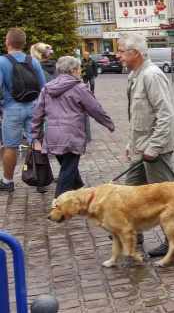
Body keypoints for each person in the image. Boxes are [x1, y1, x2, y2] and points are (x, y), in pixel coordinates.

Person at [117, 32, 174, 258]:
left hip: (155, 151)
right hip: (140, 148)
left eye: (122, 51)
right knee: (130, 194)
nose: (119, 55)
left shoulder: (152, 75)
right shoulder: (136, 75)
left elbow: (166, 115)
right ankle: (133, 235)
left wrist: (154, 148)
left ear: (136, 53)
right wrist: (130, 143)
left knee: (165, 197)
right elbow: (139, 116)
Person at [31, 56, 114, 197]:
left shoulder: (47, 88)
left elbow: (38, 113)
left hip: (52, 136)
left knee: (68, 167)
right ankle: (59, 203)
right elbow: (95, 109)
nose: (80, 71)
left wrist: (35, 135)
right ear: (74, 70)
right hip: (71, 136)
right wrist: (108, 123)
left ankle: (79, 189)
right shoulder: (79, 88)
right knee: (68, 170)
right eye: (79, 68)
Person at [1, 28, 46, 192]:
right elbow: (43, 87)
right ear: (24, 43)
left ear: (8, 41)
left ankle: (7, 181)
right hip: (33, 106)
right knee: (36, 141)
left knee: (10, 146)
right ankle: (41, 179)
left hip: (12, 108)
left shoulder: (2, 61)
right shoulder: (33, 61)